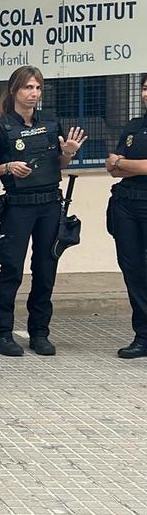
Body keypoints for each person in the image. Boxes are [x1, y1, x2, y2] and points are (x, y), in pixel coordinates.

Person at [0, 66, 86, 357]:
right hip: (18, 207)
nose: (33, 94)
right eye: (28, 87)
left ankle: (40, 333)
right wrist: (8, 167)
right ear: (14, 90)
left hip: (50, 205)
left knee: (45, 269)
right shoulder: (1, 127)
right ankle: (1, 334)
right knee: (11, 269)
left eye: (38, 88)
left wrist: (69, 153)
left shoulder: (51, 122)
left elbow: (60, 166)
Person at [106, 72, 147, 359]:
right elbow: (112, 167)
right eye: (145, 88)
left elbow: (121, 163)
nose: (146, 93)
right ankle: (143, 335)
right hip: (126, 204)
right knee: (132, 269)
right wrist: (125, 164)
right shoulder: (133, 126)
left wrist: (123, 163)